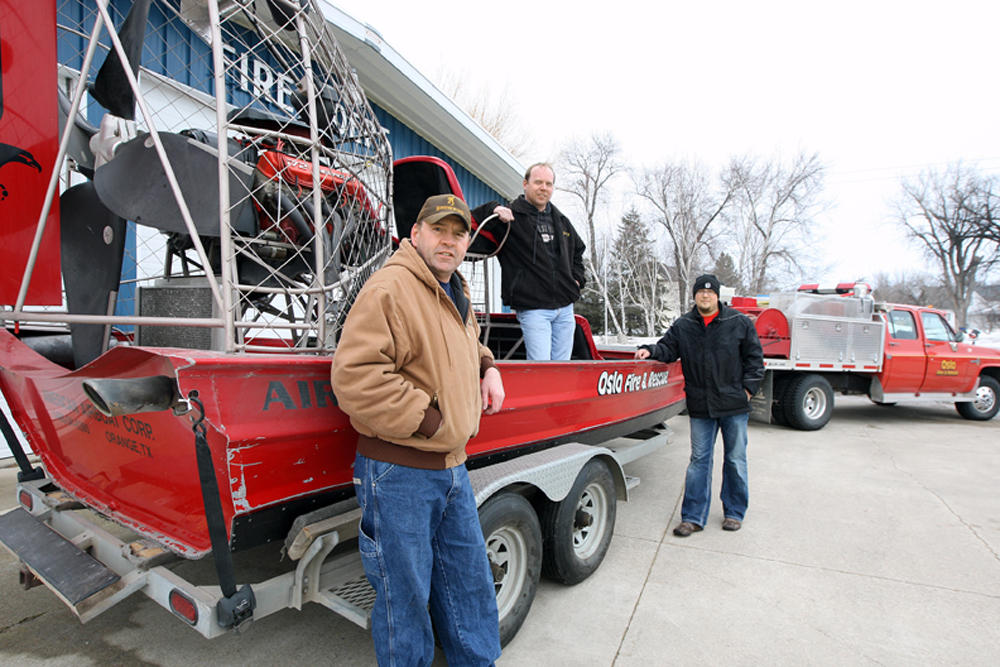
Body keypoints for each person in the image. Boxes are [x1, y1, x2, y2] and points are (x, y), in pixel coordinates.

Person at [331, 194, 505, 665]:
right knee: (403, 602)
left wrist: (488, 365)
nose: (449, 241)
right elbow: (355, 377)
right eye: (439, 230)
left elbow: (460, 345)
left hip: (452, 468)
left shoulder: (453, 288)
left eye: (458, 233)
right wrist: (431, 421)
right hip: (399, 472)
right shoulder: (391, 288)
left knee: (469, 588)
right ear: (415, 234)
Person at [634, 274, 764, 537]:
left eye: (710, 292)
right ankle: (693, 517)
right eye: (700, 292)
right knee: (699, 461)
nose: (705, 296)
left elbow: (755, 360)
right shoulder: (684, 325)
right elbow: (667, 348)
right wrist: (650, 350)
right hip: (701, 405)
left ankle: (734, 512)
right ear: (694, 296)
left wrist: (748, 390)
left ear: (718, 296)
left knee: (735, 459)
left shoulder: (738, 323)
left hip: (734, 406)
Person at [474, 163, 586, 361]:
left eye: (548, 184)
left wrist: (577, 281)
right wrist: (494, 207)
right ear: (526, 184)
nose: (544, 187)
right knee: (541, 369)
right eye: (538, 182)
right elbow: (472, 218)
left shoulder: (561, 221)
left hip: (565, 309)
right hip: (534, 310)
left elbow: (578, 251)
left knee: (562, 369)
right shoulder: (509, 218)